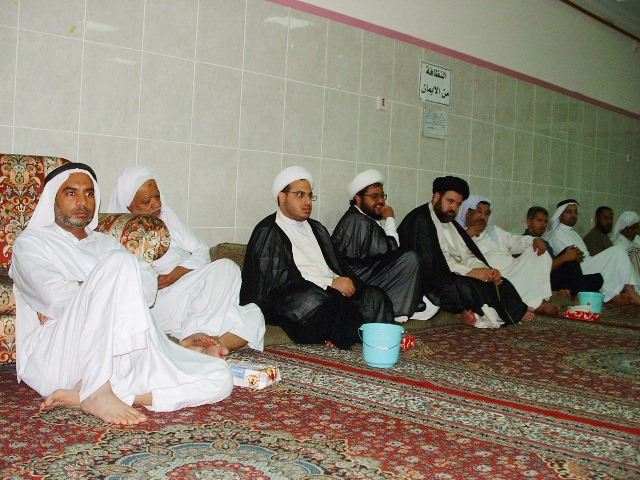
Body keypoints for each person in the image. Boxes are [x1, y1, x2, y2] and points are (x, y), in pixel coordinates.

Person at [9, 163, 233, 425]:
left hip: (117, 354)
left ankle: (101, 394)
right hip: (61, 356)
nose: (82, 202)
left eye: (89, 193)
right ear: (53, 199)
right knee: (120, 263)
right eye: (71, 193)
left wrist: (92, 286)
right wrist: (109, 283)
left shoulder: (106, 243)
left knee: (220, 377)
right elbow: (56, 298)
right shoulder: (31, 244)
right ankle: (98, 389)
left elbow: (147, 291)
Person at [108, 166, 265, 356]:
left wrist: (178, 273)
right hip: (162, 301)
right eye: (146, 201)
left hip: (192, 296)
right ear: (128, 206)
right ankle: (196, 334)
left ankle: (205, 347)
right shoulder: (125, 235)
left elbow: (202, 250)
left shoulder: (167, 218)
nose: (156, 204)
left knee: (254, 314)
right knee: (227, 267)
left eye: (157, 196)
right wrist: (173, 277)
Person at [240, 166, 394, 349]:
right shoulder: (268, 231)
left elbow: (336, 265)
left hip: (330, 296)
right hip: (298, 302)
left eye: (310, 196)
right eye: (300, 195)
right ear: (282, 197)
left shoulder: (317, 228)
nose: (307, 202)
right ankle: (347, 333)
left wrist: (343, 281)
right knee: (319, 300)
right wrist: (329, 284)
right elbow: (276, 284)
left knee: (375, 296)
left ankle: (362, 337)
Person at [397, 176, 532, 328]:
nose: (453, 208)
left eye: (458, 204)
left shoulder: (450, 222)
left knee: (500, 282)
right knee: (466, 287)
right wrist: (470, 272)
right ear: (437, 197)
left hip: (451, 273)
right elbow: (430, 265)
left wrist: (484, 270)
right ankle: (475, 313)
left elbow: (467, 254)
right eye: (450, 201)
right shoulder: (420, 220)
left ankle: (482, 312)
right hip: (427, 280)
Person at [331, 169, 438, 322]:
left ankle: (405, 304)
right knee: (409, 259)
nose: (381, 201)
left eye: (382, 195)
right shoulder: (359, 222)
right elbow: (392, 249)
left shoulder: (363, 218)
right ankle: (398, 309)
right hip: (359, 284)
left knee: (431, 298)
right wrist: (390, 219)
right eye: (374, 196)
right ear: (358, 198)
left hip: (367, 277)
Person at [458, 196, 557, 316]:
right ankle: (527, 305)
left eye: (487, 213)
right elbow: (456, 258)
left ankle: (540, 301)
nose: (482, 217)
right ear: (467, 213)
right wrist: (467, 235)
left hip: (514, 270)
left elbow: (515, 240)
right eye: (479, 211)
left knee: (541, 254)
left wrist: (534, 240)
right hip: (495, 278)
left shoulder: (494, 231)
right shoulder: (457, 235)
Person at [544, 199, 640, 305]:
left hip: (586, 263)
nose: (573, 215)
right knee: (618, 251)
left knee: (615, 259)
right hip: (578, 270)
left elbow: (582, 255)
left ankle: (612, 295)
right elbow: (574, 258)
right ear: (560, 215)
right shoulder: (556, 234)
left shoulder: (573, 233)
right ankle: (631, 292)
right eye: (569, 212)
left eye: (575, 212)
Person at [523, 206, 603, 298]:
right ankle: (577, 289)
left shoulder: (545, 243)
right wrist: (565, 257)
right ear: (529, 221)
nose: (543, 225)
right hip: (541, 281)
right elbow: (536, 271)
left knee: (598, 279)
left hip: (553, 278)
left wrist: (574, 256)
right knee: (570, 256)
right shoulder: (524, 242)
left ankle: (575, 288)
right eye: (539, 220)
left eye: (545, 221)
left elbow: (553, 264)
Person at [611, 211, 640, 279]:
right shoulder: (617, 245)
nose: (636, 231)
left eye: (637, 228)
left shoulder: (637, 239)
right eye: (633, 228)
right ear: (624, 228)